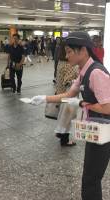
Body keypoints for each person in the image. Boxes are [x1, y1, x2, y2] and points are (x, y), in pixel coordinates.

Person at [30, 32, 110, 200]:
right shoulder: (83, 70)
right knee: (90, 176)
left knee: (91, 179)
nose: (66, 56)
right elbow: (69, 93)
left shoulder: (95, 72)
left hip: (105, 131)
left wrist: (81, 104)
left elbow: (108, 107)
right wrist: (45, 98)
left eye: (69, 51)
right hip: (96, 127)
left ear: (83, 50)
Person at [54, 40, 78, 146]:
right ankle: (65, 140)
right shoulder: (69, 64)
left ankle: (60, 133)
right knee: (68, 117)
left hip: (60, 92)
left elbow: (58, 78)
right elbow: (68, 81)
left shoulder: (60, 62)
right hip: (68, 94)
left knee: (63, 115)